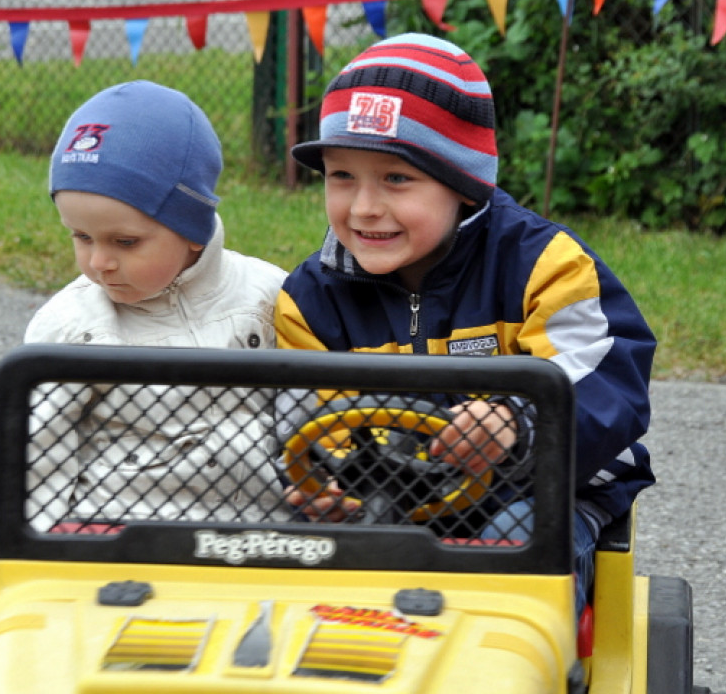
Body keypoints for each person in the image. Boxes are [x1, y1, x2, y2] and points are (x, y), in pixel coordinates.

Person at [274, 33, 657, 615]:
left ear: (463, 183)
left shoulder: (542, 264)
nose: (363, 207)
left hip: (543, 490)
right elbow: (308, 420)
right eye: (341, 176)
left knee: (508, 553)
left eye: (396, 179)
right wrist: (324, 489)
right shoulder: (309, 300)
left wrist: (519, 422)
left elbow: (606, 378)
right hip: (387, 501)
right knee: (284, 570)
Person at [24, 80, 289, 531]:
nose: (99, 262)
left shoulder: (267, 295)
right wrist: (43, 546)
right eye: (81, 237)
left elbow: (310, 414)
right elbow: (35, 460)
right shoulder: (73, 327)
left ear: (192, 229)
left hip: (264, 537)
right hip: (122, 542)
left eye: (124, 242)